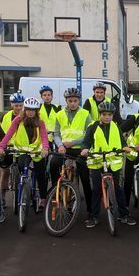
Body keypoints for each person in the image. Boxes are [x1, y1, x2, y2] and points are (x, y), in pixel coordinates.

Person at [81, 101, 136, 227]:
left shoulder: (115, 126)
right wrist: (84, 149)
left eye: (110, 115)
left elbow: (121, 141)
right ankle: (93, 216)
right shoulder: (93, 126)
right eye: (104, 114)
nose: (107, 117)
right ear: (100, 114)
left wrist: (125, 147)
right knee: (97, 190)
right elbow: (86, 141)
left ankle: (124, 214)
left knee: (118, 189)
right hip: (97, 162)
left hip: (113, 162)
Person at [0, 97, 50, 210]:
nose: (30, 112)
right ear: (25, 109)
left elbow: (44, 137)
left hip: (36, 151)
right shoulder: (17, 120)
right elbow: (9, 134)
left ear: (37, 111)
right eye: (28, 109)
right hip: (22, 151)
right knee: (21, 167)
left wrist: (45, 148)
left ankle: (42, 198)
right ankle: (22, 189)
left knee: (41, 173)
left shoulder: (40, 122)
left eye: (33, 110)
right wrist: (1, 146)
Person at [52, 88, 93, 218]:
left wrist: (74, 142)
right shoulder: (59, 114)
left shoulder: (85, 114)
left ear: (78, 101)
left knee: (85, 177)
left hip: (80, 148)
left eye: (75, 101)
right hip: (64, 148)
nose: (73, 103)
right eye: (70, 101)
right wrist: (60, 145)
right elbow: (56, 134)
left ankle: (90, 210)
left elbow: (89, 133)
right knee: (53, 163)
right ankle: (56, 192)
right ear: (66, 101)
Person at [0, 91, 25, 209]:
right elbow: (0, 133)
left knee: (21, 172)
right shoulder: (5, 116)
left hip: (20, 148)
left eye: (20, 105)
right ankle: (2, 197)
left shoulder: (26, 116)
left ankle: (21, 195)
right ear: (11, 105)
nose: (18, 107)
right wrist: (0, 146)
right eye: (16, 105)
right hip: (7, 148)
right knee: (5, 172)